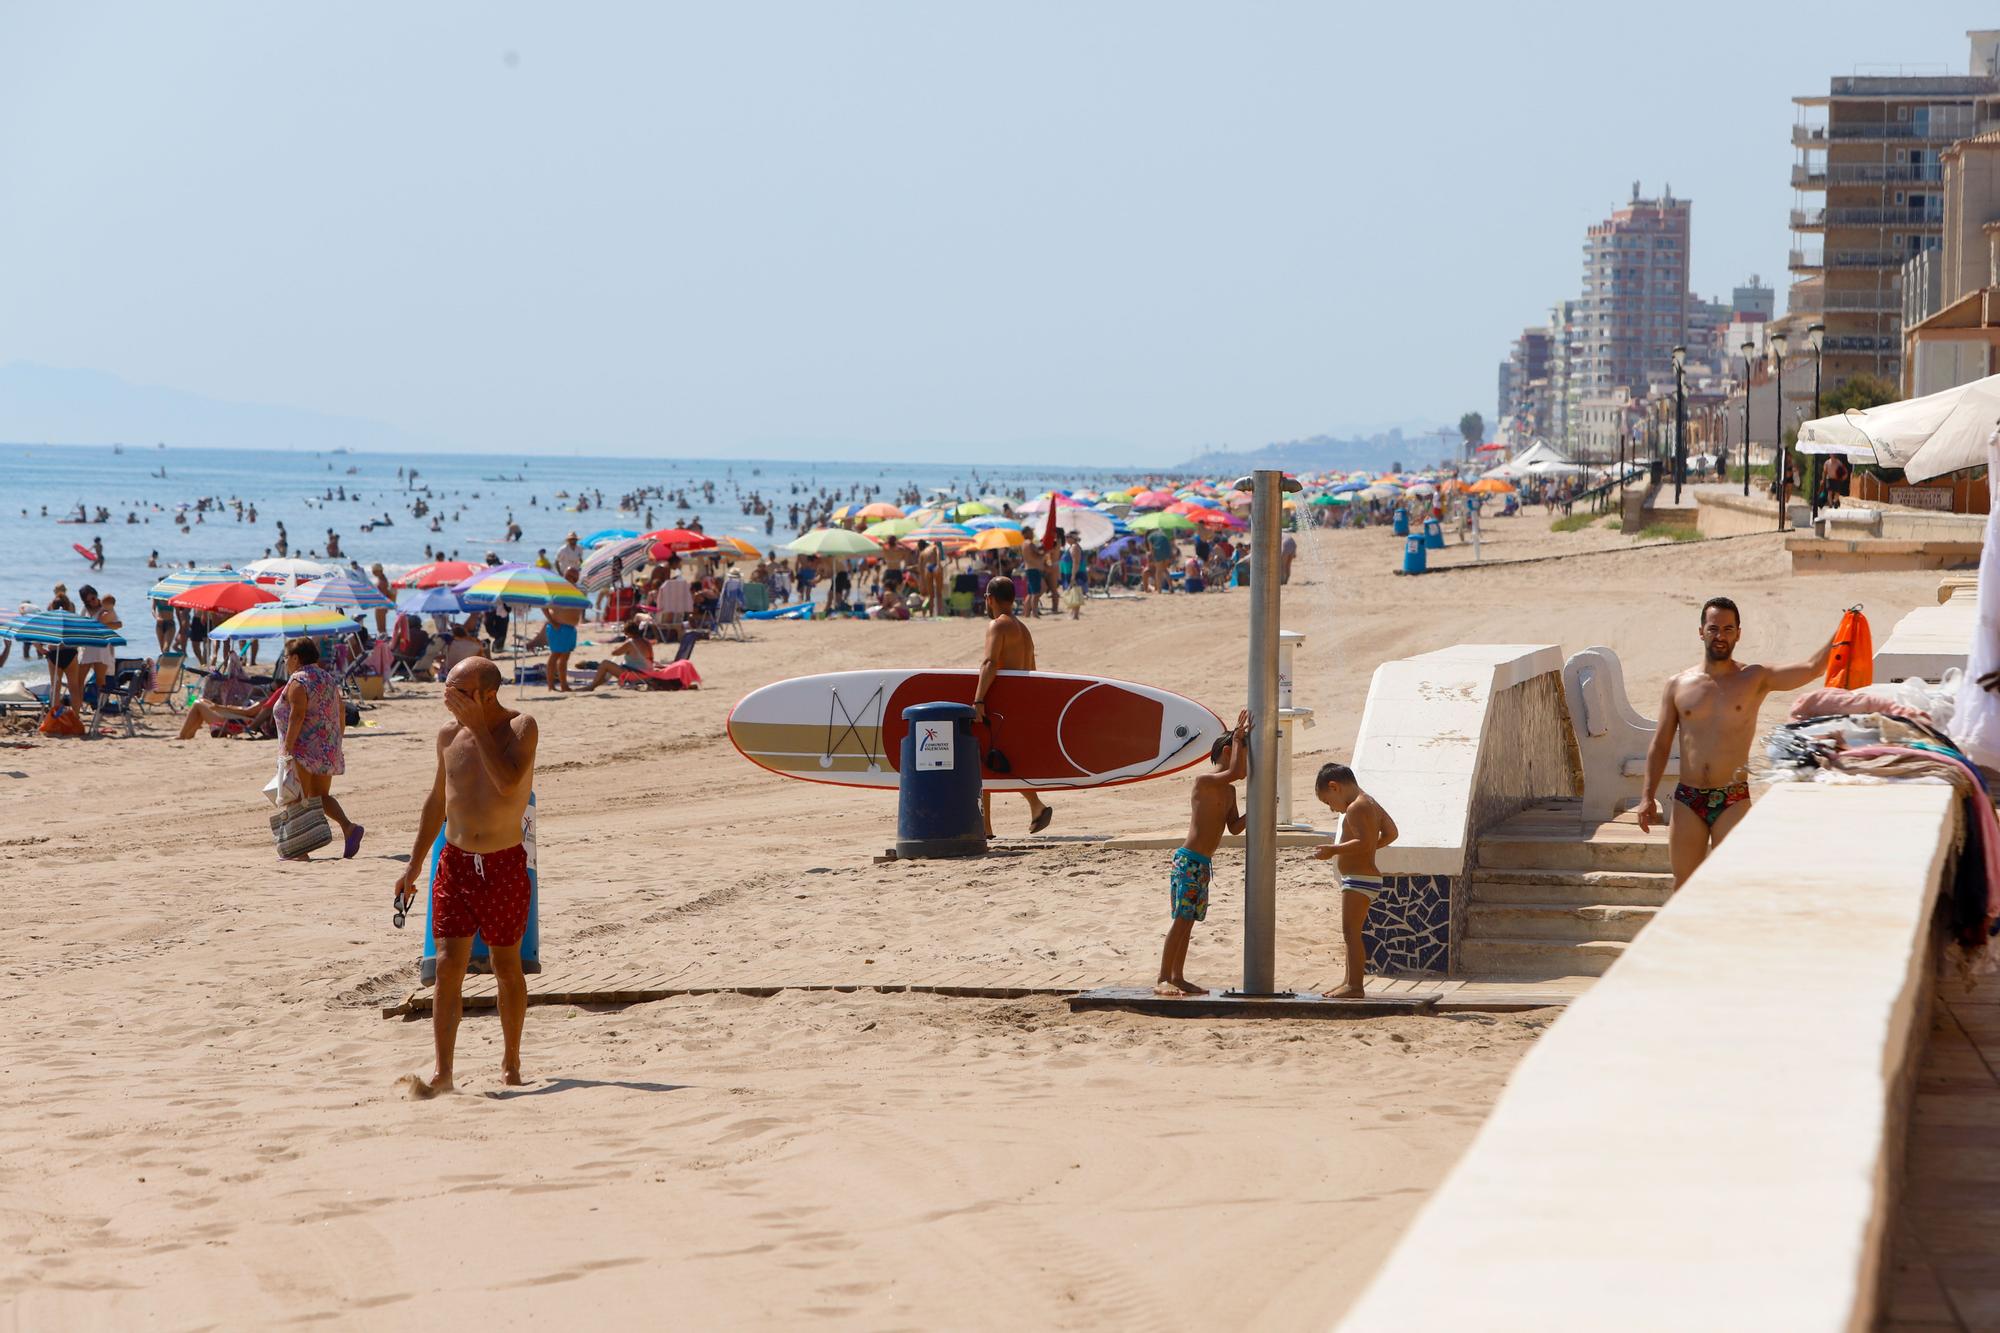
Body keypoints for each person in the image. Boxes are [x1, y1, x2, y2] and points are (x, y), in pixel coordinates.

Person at [394, 657, 538, 1096]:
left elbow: (509, 784)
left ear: (486, 694)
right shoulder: (446, 735)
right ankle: (443, 1072)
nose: (447, 696)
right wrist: (415, 864)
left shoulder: (521, 728)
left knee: (505, 965)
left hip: (503, 864)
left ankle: (511, 1061)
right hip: (454, 864)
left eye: (458, 690)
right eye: (447, 687)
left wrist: (477, 727)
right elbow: (438, 799)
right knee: (447, 967)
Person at [1638, 596, 1834, 886]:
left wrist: (1846, 626)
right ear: (1701, 631)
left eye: (1729, 629)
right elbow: (1661, 744)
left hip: (1732, 798)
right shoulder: (1677, 685)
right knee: (1684, 885)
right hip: (1688, 799)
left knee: (1730, 883)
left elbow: (1814, 666)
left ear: (1739, 634)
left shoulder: (1754, 678)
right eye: (1714, 628)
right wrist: (1647, 796)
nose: (1721, 636)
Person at [1155, 709, 1250, 996]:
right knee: (1180, 920)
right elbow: (1234, 771)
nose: (1247, 765)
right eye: (1243, 754)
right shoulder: (1204, 782)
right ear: (1227, 751)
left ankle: (1178, 976)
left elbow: (1234, 827)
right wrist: (1238, 736)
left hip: (1203, 864)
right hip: (1188, 860)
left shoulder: (1230, 792)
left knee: (1189, 922)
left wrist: (1259, 807)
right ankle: (1162, 978)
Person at [969, 576, 1052, 837]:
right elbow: (1033, 670)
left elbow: (990, 663)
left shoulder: (997, 626)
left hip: (1000, 701)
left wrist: (979, 699)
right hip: (1019, 702)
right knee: (996, 759)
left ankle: (991, 824)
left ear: (990, 599)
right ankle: (1029, 809)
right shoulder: (1022, 628)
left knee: (985, 758)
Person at [1311, 762, 1399, 999]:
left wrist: (1334, 850)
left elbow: (1362, 842)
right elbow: (1392, 833)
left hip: (1359, 879)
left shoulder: (1355, 808)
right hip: (1364, 877)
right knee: (1351, 933)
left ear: (1334, 787)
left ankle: (1355, 986)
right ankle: (1348, 981)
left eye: (1328, 802)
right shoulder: (1370, 802)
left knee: (1351, 933)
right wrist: (1369, 850)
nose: (1332, 809)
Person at [275, 636, 364, 859]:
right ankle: (348, 828)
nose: (285, 662)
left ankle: (299, 851)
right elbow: (341, 712)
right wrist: (337, 741)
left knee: (298, 796)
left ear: (296, 658)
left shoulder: (299, 681)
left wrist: (287, 749)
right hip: (327, 746)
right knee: (320, 795)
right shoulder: (328, 678)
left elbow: (297, 716)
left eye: (286, 658)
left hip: (304, 748)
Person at [579, 619, 654, 691]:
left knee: (605, 664)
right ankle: (593, 685)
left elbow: (615, 653)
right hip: (647, 674)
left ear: (628, 633)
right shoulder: (646, 642)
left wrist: (621, 646)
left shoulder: (631, 642)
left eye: (625, 633)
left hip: (636, 675)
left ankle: (591, 686)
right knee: (612, 667)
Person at [544, 571, 583, 691]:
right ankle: (551, 685)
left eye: (574, 575)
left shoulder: (576, 590)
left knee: (565, 657)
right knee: (555, 655)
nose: (572, 577)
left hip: (570, 628)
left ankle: (563, 684)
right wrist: (552, 621)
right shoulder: (556, 588)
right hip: (558, 627)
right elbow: (543, 605)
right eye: (570, 575)